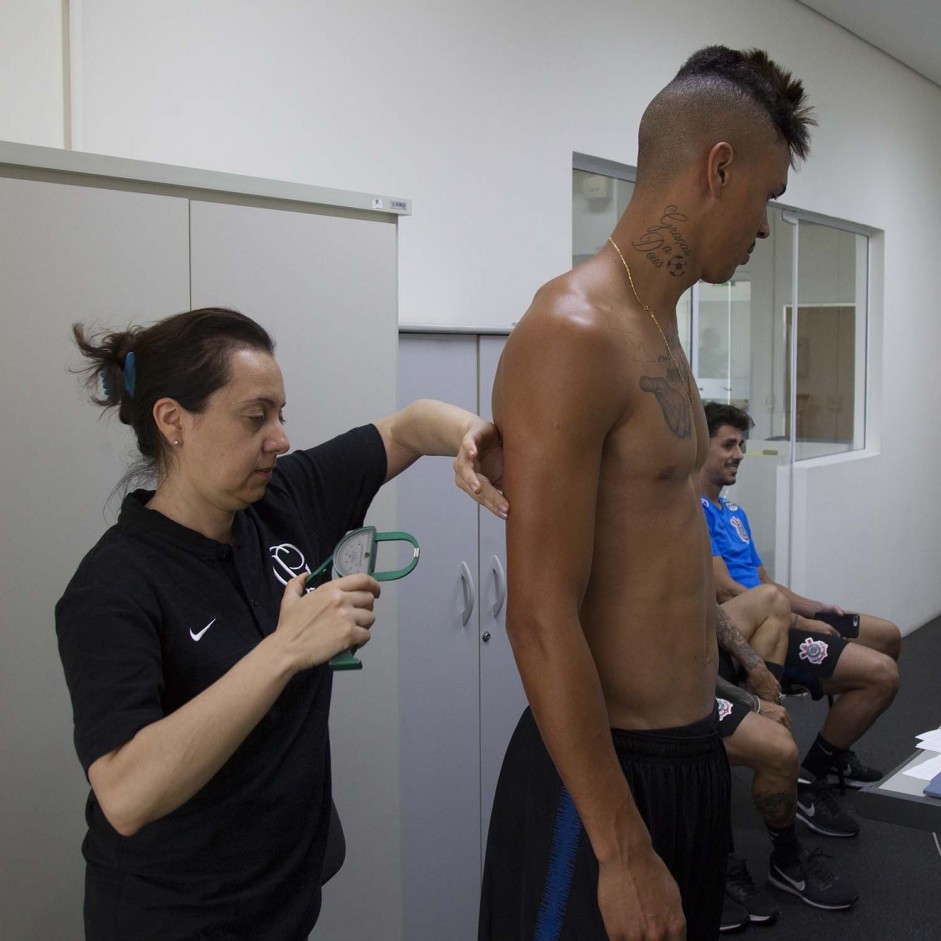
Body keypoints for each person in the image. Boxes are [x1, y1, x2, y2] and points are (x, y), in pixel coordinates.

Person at [479, 46, 816, 941]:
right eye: (766, 198)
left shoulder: (658, 328)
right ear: (717, 167)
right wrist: (620, 846)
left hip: (687, 757)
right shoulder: (572, 330)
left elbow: (656, 545)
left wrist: (738, 654)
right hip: (600, 782)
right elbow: (539, 614)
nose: (763, 228)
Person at [56, 307, 508, 941]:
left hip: (284, 905)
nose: (280, 438)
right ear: (172, 420)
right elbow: (126, 794)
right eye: (255, 416)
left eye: (280, 414)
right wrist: (285, 650)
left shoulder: (284, 500)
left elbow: (407, 428)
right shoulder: (114, 584)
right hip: (173, 919)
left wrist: (469, 438)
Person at [700, 400, 900, 796]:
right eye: (727, 445)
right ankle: (812, 777)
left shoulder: (735, 512)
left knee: (888, 636)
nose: (738, 455)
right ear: (699, 447)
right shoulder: (693, 509)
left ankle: (837, 745)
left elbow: (765, 583)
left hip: (780, 613)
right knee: (882, 676)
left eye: (741, 445)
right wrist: (798, 620)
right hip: (759, 632)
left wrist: (814, 607)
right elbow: (725, 590)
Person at [715, 601, 858, 920]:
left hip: (695, 675)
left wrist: (756, 667)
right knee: (777, 750)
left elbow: (708, 611)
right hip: (658, 695)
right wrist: (749, 701)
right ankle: (712, 867)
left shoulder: (684, 559)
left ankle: (787, 861)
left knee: (771, 601)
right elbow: (667, 665)